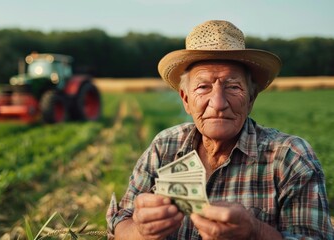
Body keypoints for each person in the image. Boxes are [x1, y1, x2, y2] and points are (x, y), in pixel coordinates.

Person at [106, 20, 334, 240]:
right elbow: (119, 225)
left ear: (251, 98)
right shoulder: (165, 146)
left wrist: (254, 232)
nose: (218, 103)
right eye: (203, 87)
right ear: (186, 100)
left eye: (233, 86)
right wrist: (140, 232)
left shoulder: (290, 158)